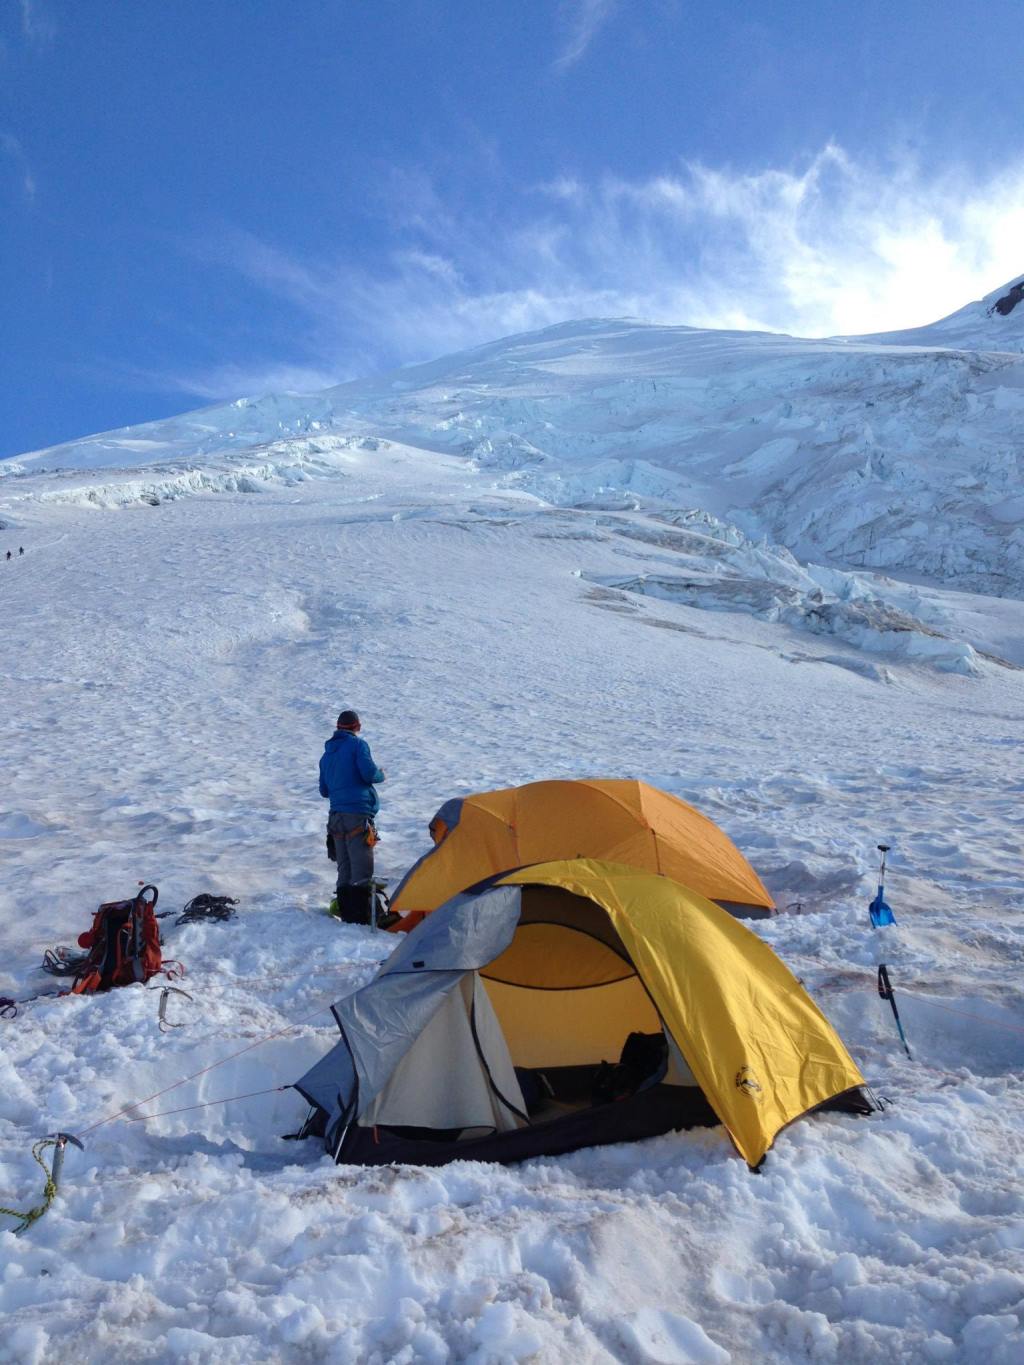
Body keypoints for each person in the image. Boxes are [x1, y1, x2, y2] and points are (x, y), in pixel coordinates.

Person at [319, 709, 385, 919]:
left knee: (344, 866)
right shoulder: (358, 745)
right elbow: (369, 773)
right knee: (361, 867)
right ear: (357, 726)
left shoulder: (326, 755)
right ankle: (362, 917)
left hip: (336, 817)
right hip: (357, 814)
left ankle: (346, 911)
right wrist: (380, 775)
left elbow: (324, 790)